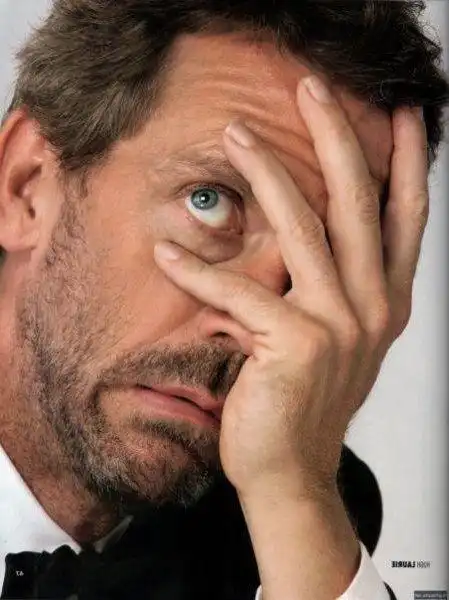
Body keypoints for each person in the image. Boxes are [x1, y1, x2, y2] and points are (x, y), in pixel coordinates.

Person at [0, 1, 447, 598]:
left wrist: (296, 497)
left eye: (325, 258)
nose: (255, 327)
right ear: (26, 188)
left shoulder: (291, 530)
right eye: (208, 200)